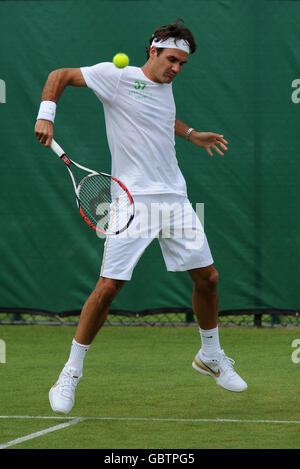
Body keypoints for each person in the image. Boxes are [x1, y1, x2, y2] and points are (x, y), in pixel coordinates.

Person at [35, 19, 247, 415]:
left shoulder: (166, 89)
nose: (176, 69)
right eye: (172, 60)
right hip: (132, 203)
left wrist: (191, 133)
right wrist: (46, 114)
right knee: (109, 287)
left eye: (183, 64)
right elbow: (59, 75)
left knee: (209, 277)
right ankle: (70, 372)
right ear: (153, 51)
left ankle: (211, 355)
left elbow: (160, 119)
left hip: (174, 198)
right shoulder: (116, 77)